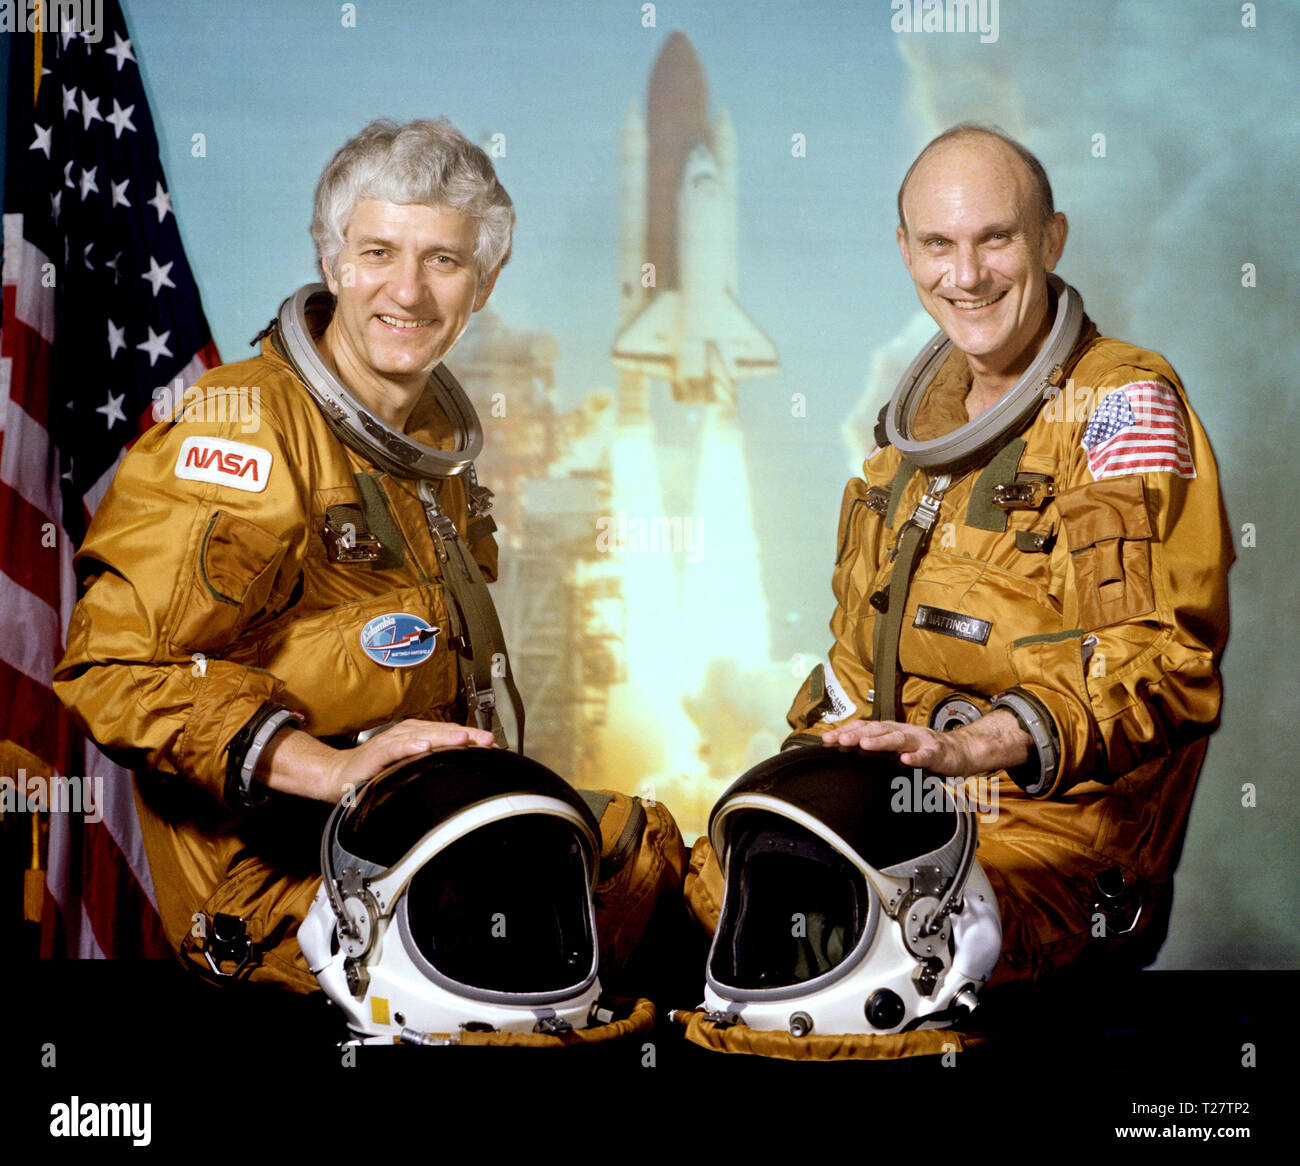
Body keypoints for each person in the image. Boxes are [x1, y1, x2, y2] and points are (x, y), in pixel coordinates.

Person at [54, 118, 684, 994]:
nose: (409, 292)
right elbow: (116, 666)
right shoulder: (248, 430)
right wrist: (335, 767)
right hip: (285, 892)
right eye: (378, 251)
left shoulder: (422, 453)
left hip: (415, 844)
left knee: (643, 858)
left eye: (444, 261)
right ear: (331, 259)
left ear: (485, 281)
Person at [687, 123, 1232, 988]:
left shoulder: (1121, 411)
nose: (966, 275)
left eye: (996, 239)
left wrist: (980, 745)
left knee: (875, 953)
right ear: (905, 251)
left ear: (1051, 239)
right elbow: (849, 677)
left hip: (1050, 848)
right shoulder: (904, 454)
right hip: (899, 819)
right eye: (938, 243)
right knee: (687, 899)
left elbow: (1164, 661)